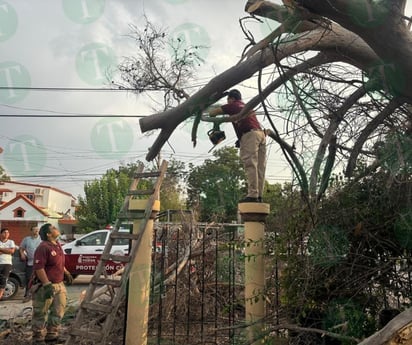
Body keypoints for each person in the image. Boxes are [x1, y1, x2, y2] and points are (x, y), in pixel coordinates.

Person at [209, 89, 266, 202]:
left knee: (250, 164)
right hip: (260, 134)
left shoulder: (233, 105)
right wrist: (240, 139)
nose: (227, 101)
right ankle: (259, 195)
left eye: (228, 99)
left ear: (232, 99)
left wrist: (209, 110)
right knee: (260, 167)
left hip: (250, 135)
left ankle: (252, 195)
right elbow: (246, 123)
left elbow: (213, 113)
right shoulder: (246, 106)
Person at [31, 223, 73, 344]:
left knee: (58, 311)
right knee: (40, 312)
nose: (56, 229)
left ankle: (52, 335)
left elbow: (58, 263)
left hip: (59, 284)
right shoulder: (43, 247)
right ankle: (38, 338)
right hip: (45, 286)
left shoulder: (57, 245)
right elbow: (39, 268)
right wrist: (46, 284)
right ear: (48, 234)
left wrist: (66, 272)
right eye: (53, 229)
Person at [20, 225, 42, 302]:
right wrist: (22, 254)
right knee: (29, 279)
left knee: (41, 279)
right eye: (35, 229)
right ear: (31, 231)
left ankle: (39, 296)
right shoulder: (26, 239)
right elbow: (21, 248)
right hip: (30, 263)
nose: (36, 231)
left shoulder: (42, 240)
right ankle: (27, 295)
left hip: (41, 264)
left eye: (37, 230)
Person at [0, 228, 16, 300]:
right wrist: (6, 250)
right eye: (4, 232)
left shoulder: (11, 242)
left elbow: (12, 251)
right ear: (1, 234)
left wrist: (1, 250)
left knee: (3, 280)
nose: (6, 234)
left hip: (7, 263)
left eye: (8, 233)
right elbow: (9, 250)